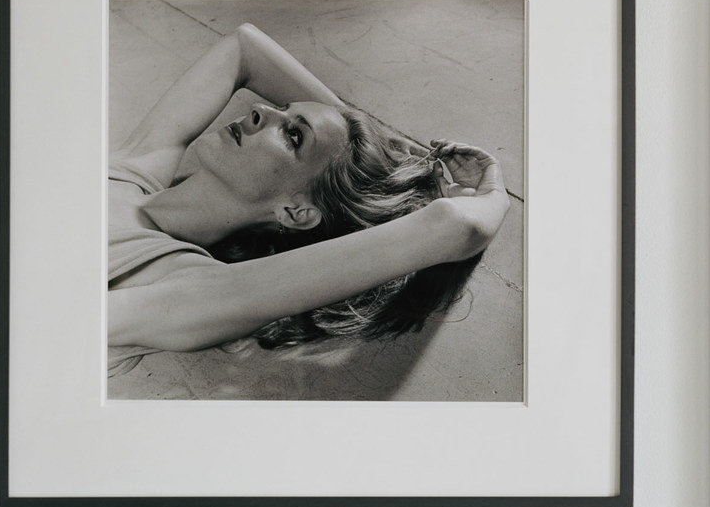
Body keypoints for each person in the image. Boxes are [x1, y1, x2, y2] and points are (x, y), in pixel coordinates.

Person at [107, 21, 507, 357]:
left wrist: (494, 197)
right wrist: (374, 139)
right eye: (284, 111)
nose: (261, 109)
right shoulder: (132, 170)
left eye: (294, 135)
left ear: (296, 212)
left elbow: (454, 226)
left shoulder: (181, 286)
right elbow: (245, 47)